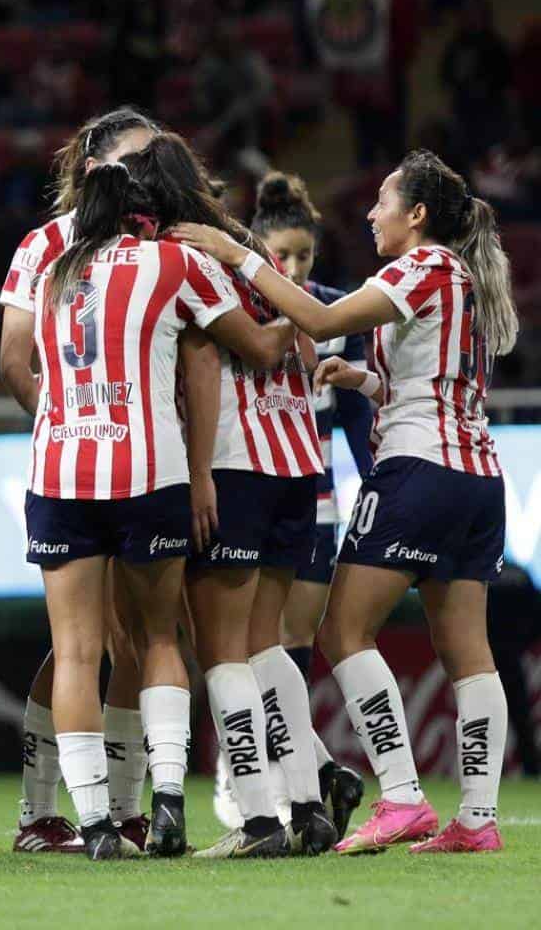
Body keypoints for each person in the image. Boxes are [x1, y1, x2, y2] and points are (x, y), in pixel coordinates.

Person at [175, 148, 518, 855]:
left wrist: (235, 254)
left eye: (384, 201)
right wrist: (361, 381)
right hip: (478, 477)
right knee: (468, 651)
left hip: (418, 471)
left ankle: (401, 796)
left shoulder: (422, 266)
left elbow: (316, 316)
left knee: (341, 632)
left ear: (416, 215)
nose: (370, 213)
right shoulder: (464, 280)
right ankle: (477, 819)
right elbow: (438, 380)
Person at [26, 161, 302, 860]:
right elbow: (262, 345)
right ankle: (169, 802)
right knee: (157, 641)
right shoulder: (172, 261)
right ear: (146, 215)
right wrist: (298, 306)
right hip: (150, 468)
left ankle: (94, 826)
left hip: (60, 469)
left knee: (78, 652)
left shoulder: (48, 269)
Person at [126, 133, 336, 859]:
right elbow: (304, 341)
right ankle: (307, 808)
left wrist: (197, 470)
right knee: (265, 645)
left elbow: (237, 350)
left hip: (235, 464)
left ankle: (256, 823)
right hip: (298, 460)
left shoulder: (185, 256)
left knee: (220, 652)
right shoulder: (250, 250)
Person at [0, 107, 158, 855]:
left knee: (110, 644)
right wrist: (78, 416)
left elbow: (14, 362)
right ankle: (58, 812)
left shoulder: (131, 238)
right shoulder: (68, 242)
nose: (148, 172)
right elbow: (11, 360)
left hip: (87, 462)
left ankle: (106, 813)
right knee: (90, 647)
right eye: (136, 158)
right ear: (96, 164)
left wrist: (67, 421)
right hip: (112, 461)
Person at [211, 171, 372, 840]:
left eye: (305, 255)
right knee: (259, 645)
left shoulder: (333, 315)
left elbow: (360, 418)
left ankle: (268, 782)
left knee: (280, 643)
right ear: (260, 247)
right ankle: (311, 770)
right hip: (272, 483)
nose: (295, 267)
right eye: (284, 253)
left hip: (312, 496)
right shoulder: (245, 304)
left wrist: (375, 482)